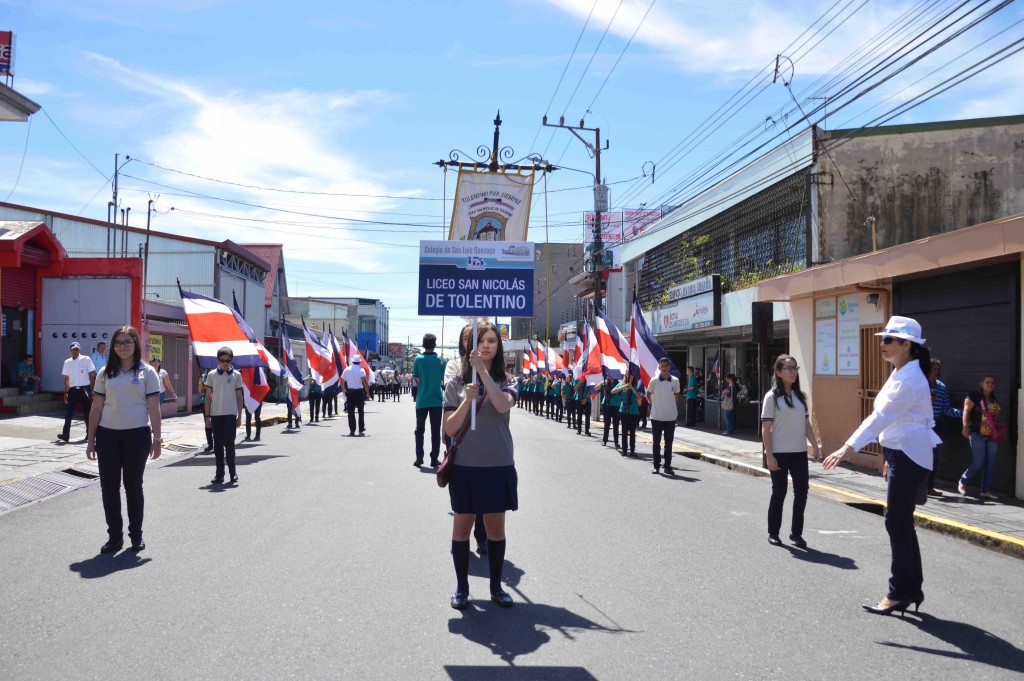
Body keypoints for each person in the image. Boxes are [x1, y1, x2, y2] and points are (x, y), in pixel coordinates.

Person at [824, 316, 937, 616]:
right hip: (902, 453)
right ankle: (911, 589)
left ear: (906, 345)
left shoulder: (909, 379)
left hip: (909, 455)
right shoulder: (901, 372)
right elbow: (893, 421)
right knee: (901, 522)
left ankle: (898, 592)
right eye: (882, 339)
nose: (882, 344)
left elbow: (880, 418)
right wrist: (888, 456)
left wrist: (847, 448)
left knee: (896, 522)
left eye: (888, 340)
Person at [442, 321, 518, 610]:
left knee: (495, 530)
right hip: (465, 466)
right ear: (468, 346)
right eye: (480, 340)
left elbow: (502, 405)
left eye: (491, 341)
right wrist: (467, 401)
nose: (486, 345)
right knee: (462, 528)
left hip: (498, 464)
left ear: (498, 346)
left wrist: (483, 373)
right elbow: (449, 429)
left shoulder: (508, 380)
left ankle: (496, 587)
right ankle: (462, 587)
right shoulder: (455, 383)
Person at [86, 326, 161, 553]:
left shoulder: (147, 372)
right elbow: (96, 408)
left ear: (135, 344)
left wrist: (157, 439)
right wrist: (91, 440)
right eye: (118, 343)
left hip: (137, 435)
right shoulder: (105, 373)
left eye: (127, 342)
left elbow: (154, 407)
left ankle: (136, 535)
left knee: (133, 486)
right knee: (109, 488)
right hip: (107, 436)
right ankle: (114, 537)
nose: (123, 346)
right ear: (113, 347)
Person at [762, 355, 821, 548]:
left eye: (795, 368)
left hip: (799, 452)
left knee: (802, 492)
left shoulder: (800, 396)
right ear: (778, 372)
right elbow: (766, 428)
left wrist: (815, 446)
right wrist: (769, 454)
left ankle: (796, 533)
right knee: (779, 492)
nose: (793, 372)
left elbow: (806, 424)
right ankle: (773, 532)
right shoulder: (772, 397)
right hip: (779, 452)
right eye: (788, 368)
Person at [958, 374, 1004, 499]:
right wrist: (965, 426)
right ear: (981, 384)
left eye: (992, 383)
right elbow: (966, 410)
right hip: (977, 434)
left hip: (991, 435)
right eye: (987, 382)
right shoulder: (975, 395)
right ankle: (963, 481)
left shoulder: (993, 399)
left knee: (990, 463)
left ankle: (985, 490)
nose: (990, 385)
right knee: (978, 462)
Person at [204, 346, 244, 485]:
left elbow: (239, 397)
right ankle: (219, 474)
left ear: (231, 360)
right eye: (222, 360)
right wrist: (207, 416)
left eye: (228, 360)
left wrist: (239, 416)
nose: (225, 363)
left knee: (230, 444)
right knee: (218, 446)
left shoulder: (237, 375)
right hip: (216, 414)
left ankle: (233, 473)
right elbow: (208, 397)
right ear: (218, 360)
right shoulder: (211, 375)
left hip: (230, 414)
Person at [926, 359, 960, 496]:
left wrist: (963, 413)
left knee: (934, 458)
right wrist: (926, 400)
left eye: (938, 369)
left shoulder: (941, 387)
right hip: (922, 425)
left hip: (937, 425)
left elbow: (946, 409)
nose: (937, 371)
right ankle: (918, 486)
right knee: (921, 456)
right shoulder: (921, 384)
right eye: (934, 369)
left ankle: (929, 487)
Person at [413, 333, 445, 467]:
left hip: (422, 400)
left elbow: (416, 376)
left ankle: (419, 457)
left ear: (423, 344)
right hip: (437, 399)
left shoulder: (418, 359)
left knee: (419, 430)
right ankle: (434, 458)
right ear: (435, 345)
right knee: (435, 431)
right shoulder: (441, 359)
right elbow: (443, 378)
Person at [648, 357, 681, 475]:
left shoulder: (675, 381)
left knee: (668, 443)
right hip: (656, 416)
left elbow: (676, 396)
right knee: (656, 443)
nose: (664, 368)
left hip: (670, 417)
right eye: (662, 366)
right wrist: (654, 404)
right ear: (659, 367)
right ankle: (656, 466)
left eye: (666, 366)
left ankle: (667, 466)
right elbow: (648, 393)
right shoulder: (654, 380)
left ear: (669, 367)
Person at [59, 342, 96, 442]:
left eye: (77, 349)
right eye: (73, 349)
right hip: (72, 390)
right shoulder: (67, 362)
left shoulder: (86, 359)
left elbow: (92, 375)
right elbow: (67, 378)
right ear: (70, 350)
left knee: (88, 413)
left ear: (79, 350)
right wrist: (65, 393)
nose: (75, 351)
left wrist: (93, 389)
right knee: (68, 413)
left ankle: (90, 434)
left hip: (85, 389)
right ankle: (65, 435)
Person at [614, 370, 642, 457]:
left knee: (632, 431)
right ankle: (624, 450)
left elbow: (639, 396)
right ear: (625, 375)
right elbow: (613, 391)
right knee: (624, 431)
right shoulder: (621, 383)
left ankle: (632, 450)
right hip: (623, 410)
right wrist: (623, 387)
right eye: (628, 373)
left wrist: (631, 387)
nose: (629, 375)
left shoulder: (637, 384)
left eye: (631, 374)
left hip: (633, 410)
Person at [341, 356, 370, 436]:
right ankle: (361, 428)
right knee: (360, 411)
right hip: (359, 392)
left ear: (352, 361)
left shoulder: (347, 369)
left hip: (350, 392)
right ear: (359, 362)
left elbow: (342, 380)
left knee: (351, 412)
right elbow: (364, 382)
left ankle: (352, 430)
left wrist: (343, 389)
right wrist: (368, 393)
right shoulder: (361, 370)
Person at [600, 373, 621, 447]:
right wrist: (602, 383)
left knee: (616, 424)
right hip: (607, 405)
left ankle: (616, 442)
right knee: (607, 424)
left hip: (616, 405)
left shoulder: (619, 383)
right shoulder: (606, 382)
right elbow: (596, 388)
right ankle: (605, 440)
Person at [198, 368, 213, 452]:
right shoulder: (203, 376)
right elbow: (200, 391)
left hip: (216, 402)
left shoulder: (217, 375)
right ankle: (210, 444)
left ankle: (218, 443)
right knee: (207, 423)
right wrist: (201, 383)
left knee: (216, 424)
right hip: (205, 403)